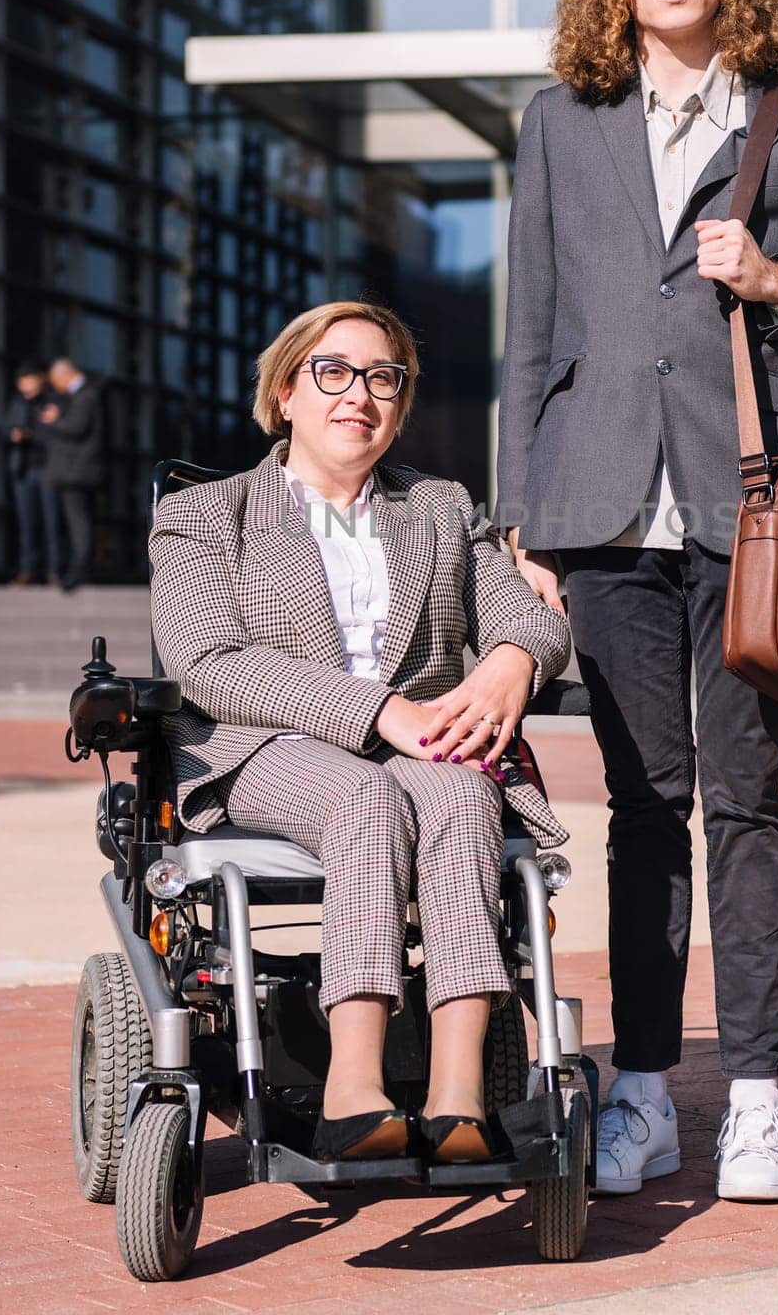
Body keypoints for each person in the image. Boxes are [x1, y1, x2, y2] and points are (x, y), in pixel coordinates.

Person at [497, 0, 778, 1201]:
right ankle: (637, 1096)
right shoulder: (558, 125)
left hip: (756, 512)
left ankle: (750, 1102)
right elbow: (528, 333)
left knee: (741, 808)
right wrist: (524, 514)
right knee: (637, 809)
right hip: (602, 505)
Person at [149, 301, 570, 1164]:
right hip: (260, 747)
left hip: (424, 751)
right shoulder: (206, 515)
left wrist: (510, 663)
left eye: (383, 378)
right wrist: (378, 712)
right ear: (286, 394)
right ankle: (353, 1088)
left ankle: (458, 1097)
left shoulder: (440, 508)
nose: (359, 396)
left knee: (462, 793)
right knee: (367, 798)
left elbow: (533, 620)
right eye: (332, 373)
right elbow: (205, 661)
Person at [41, 357, 104, 591]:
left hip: (77, 470)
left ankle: (80, 569)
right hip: (79, 470)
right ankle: (82, 568)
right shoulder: (88, 394)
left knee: (79, 521)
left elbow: (76, 428)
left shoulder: (85, 395)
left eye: (56, 382)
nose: (56, 387)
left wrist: (55, 420)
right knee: (82, 520)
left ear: (64, 377)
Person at [4, 362, 62, 585]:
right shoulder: (17, 403)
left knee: (51, 522)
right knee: (26, 523)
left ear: (39, 380)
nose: (25, 387)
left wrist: (35, 434)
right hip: (23, 470)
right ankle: (27, 570)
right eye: (22, 383)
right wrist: (13, 435)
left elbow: (58, 435)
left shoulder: (53, 402)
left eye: (29, 381)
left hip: (48, 468)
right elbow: (4, 428)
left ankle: (54, 571)